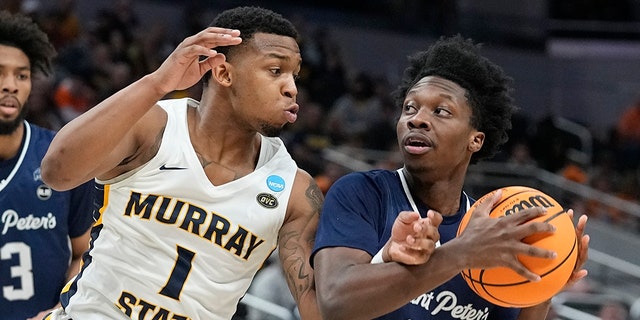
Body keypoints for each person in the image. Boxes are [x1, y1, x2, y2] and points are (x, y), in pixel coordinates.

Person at [40, 6, 323, 320]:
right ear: (224, 72)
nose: (292, 88)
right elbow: (56, 172)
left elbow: (320, 306)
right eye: (275, 71)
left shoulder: (296, 191)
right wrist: (159, 82)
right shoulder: (152, 127)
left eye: (294, 74)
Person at [311, 35, 590, 319]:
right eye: (409, 107)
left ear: (476, 139)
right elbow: (335, 303)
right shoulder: (363, 193)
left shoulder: (490, 227)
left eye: (441, 111)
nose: (416, 119)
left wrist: (545, 284)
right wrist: (461, 253)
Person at [0, 10, 94, 320]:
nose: (10, 85)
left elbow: (86, 251)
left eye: (21, 75)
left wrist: (59, 310)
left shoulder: (61, 155)